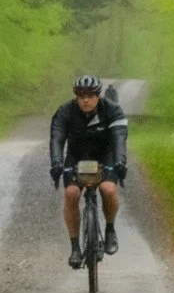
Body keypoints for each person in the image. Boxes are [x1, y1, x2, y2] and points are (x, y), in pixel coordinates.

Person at [49, 74, 129, 268]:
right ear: (76, 97)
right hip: (77, 156)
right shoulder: (65, 112)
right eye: (81, 95)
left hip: (106, 155)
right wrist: (56, 163)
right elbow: (57, 139)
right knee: (71, 193)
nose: (86, 100)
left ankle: (110, 229)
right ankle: (75, 247)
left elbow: (119, 139)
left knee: (108, 190)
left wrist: (120, 161)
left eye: (90, 95)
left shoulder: (112, 110)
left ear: (98, 96)